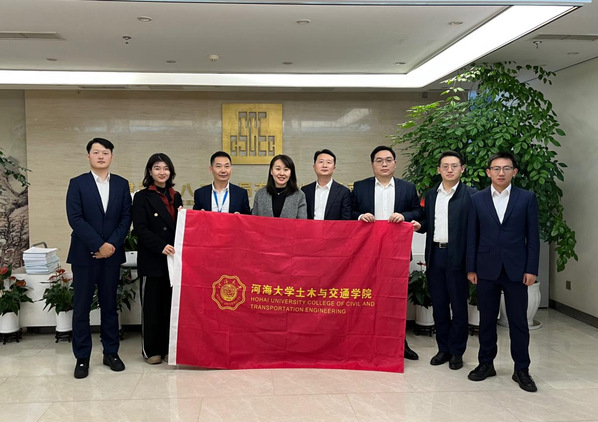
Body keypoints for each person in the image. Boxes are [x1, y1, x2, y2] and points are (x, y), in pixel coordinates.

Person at [466, 151, 540, 392]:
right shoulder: (477, 199)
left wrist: (531, 269)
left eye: (506, 168)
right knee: (486, 320)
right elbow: (472, 236)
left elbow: (533, 237)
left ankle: (522, 369)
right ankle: (486, 364)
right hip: (486, 268)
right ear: (488, 172)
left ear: (514, 172)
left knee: (518, 321)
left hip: (517, 270)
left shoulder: (526, 198)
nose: (501, 173)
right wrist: (471, 268)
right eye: (496, 168)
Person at [66, 138, 131, 379]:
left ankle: (111, 353)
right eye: (96, 152)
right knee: (82, 307)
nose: (101, 156)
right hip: (84, 255)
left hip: (111, 256)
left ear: (111, 156)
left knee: (110, 306)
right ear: (88, 156)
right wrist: (98, 245)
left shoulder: (122, 184)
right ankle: (82, 357)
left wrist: (110, 245)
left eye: (105, 152)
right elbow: (75, 218)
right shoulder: (77, 183)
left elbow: (126, 218)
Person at [351, 145, 424, 360]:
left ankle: (400, 343)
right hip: (367, 253)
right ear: (372, 164)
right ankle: (367, 341)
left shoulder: (407, 188)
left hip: (396, 253)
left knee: (395, 299)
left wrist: (404, 216)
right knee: (367, 298)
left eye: (388, 160)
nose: (384, 164)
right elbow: (348, 212)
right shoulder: (360, 187)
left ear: (395, 163)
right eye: (379, 160)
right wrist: (360, 216)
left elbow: (418, 212)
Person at [412, 151, 476, 370]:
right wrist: (419, 226)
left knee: (458, 307)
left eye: (454, 166)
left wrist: (472, 264)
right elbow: (428, 222)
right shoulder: (431, 195)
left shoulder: (472, 195)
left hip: (458, 256)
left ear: (462, 169)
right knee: (439, 306)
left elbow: (474, 231)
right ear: (439, 169)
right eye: (445, 166)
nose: (450, 170)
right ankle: (443, 349)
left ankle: (457, 351)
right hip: (435, 255)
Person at [132, 153, 182, 365]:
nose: (162, 172)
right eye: (157, 168)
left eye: (166, 168)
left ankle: (168, 348)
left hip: (173, 260)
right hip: (153, 259)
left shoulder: (175, 196)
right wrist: (160, 246)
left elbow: (179, 227)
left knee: (170, 306)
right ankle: (151, 350)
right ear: (150, 171)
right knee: (152, 307)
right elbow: (140, 229)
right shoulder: (142, 197)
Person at [301, 149, 351, 220]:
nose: (324, 165)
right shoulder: (305, 191)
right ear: (314, 167)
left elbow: (346, 220)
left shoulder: (343, 192)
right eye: (321, 162)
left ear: (334, 168)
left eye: (328, 162)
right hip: (310, 227)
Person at [252, 154, 307, 219]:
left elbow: (302, 222)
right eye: (278, 169)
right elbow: (253, 220)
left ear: (291, 173)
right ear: (271, 171)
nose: (282, 173)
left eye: (286, 169)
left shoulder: (299, 195)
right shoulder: (260, 194)